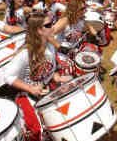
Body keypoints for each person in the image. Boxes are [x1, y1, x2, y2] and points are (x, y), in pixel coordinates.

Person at [4, 12, 70, 141]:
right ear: (39, 30)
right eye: (48, 25)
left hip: (45, 89)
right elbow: (8, 76)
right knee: (38, 130)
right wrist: (30, 88)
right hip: (26, 94)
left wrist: (56, 77)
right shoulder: (26, 52)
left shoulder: (50, 46)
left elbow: (49, 70)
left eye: (52, 23)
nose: (53, 27)